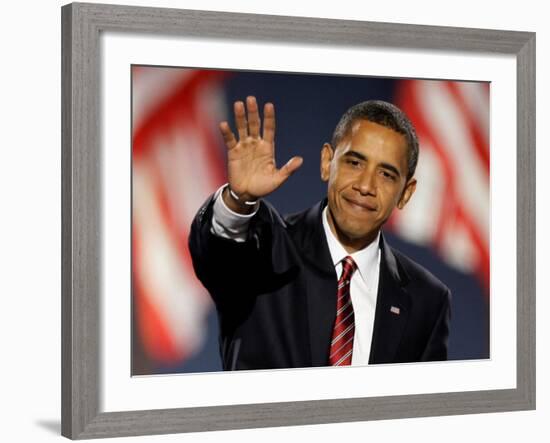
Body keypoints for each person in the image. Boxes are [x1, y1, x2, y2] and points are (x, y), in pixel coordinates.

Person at [189, 96, 451, 370]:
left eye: (386, 174)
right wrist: (238, 200)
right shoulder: (264, 249)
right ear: (327, 162)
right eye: (354, 163)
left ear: (405, 194)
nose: (365, 186)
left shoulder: (428, 300)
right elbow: (217, 251)